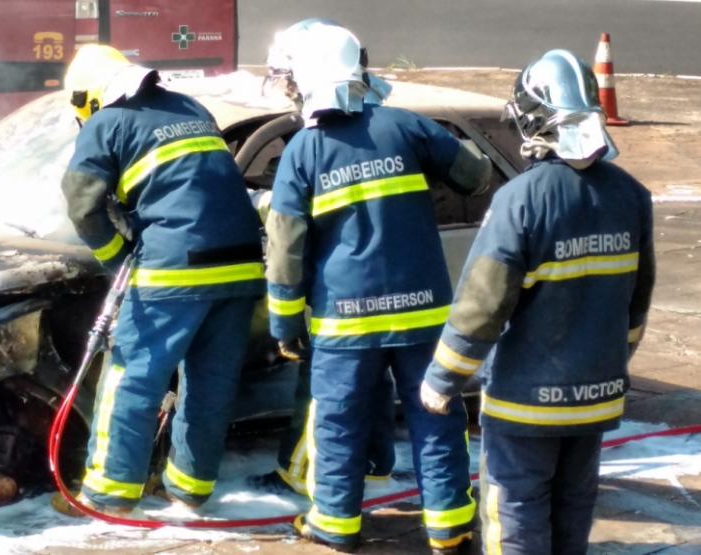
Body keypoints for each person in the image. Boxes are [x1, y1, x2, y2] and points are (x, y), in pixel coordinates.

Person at [263, 21, 492, 552]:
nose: (291, 89)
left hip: (344, 322)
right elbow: (475, 176)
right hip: (422, 315)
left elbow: (285, 251)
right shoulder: (408, 128)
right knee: (436, 417)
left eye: (292, 78)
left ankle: (336, 526)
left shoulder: (303, 152)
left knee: (338, 425)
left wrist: (284, 323)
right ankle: (450, 527)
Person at [420, 49, 655, 555]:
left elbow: (483, 304)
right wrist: (613, 359)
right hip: (598, 394)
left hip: (526, 402)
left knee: (516, 508)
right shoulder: (631, 196)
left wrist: (442, 379)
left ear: (533, 120)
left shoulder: (520, 199)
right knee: (574, 504)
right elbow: (637, 302)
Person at [60, 44, 265, 512]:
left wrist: (118, 258)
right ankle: (189, 492)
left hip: (174, 266)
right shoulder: (191, 107)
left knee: (133, 377)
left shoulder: (106, 122)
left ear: (89, 97)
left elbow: (82, 204)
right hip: (242, 264)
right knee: (210, 384)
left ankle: (107, 495)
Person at [247, 17, 399, 498]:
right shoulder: (386, 124)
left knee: (321, 387)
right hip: (393, 281)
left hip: (341, 291)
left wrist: (260, 203)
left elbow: (300, 227)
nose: (288, 91)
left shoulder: (317, 140)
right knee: (374, 381)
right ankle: (376, 463)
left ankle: (297, 473)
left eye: (289, 79)